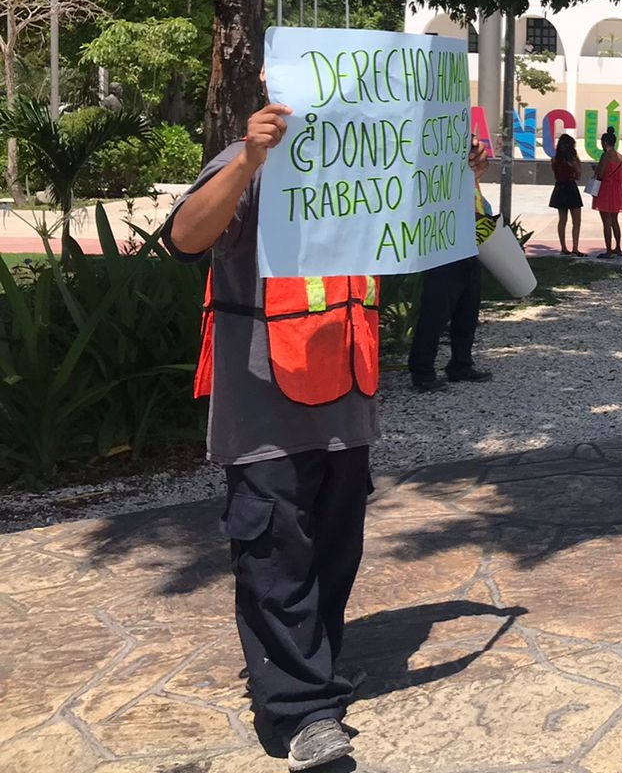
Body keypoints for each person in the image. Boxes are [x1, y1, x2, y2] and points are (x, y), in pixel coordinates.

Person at [162, 86, 488, 770]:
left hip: (346, 403)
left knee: (331, 554)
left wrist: (454, 177)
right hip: (264, 411)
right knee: (275, 558)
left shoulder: (366, 176)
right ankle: (302, 711)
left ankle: (313, 671)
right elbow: (185, 237)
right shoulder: (243, 162)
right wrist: (250, 159)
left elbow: (423, 242)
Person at [409, 171, 492, 391]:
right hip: (444, 245)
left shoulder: (466, 166)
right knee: (435, 311)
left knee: (468, 309)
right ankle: (422, 369)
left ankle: (461, 362)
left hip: (469, 241)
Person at [548, 132, 584, 255]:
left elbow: (555, 174)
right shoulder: (573, 160)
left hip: (560, 188)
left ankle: (563, 247)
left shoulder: (554, 160)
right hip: (570, 187)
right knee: (576, 220)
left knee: (562, 220)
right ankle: (575, 247)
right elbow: (578, 175)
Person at [593, 128, 622, 257]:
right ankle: (618, 247)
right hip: (617, 190)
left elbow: (600, 173)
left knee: (606, 221)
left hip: (606, 190)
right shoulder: (620, 157)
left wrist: (596, 170)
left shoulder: (606, 155)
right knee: (614, 221)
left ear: (605, 142)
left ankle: (608, 250)